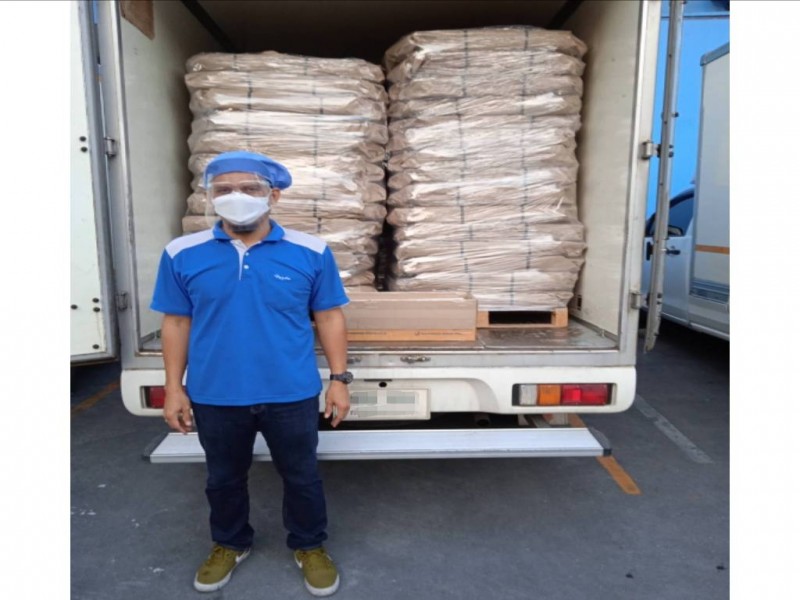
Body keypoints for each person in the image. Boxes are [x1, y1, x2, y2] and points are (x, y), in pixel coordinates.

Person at [150, 150, 353, 596]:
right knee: (223, 479)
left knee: (302, 476)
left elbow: (329, 315)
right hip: (216, 393)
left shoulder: (310, 251)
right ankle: (230, 542)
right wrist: (174, 388)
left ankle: (309, 545)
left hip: (290, 392)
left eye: (249, 188)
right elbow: (176, 322)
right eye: (223, 189)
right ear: (210, 196)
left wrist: (339, 380)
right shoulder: (182, 253)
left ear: (273, 196)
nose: (236, 196)